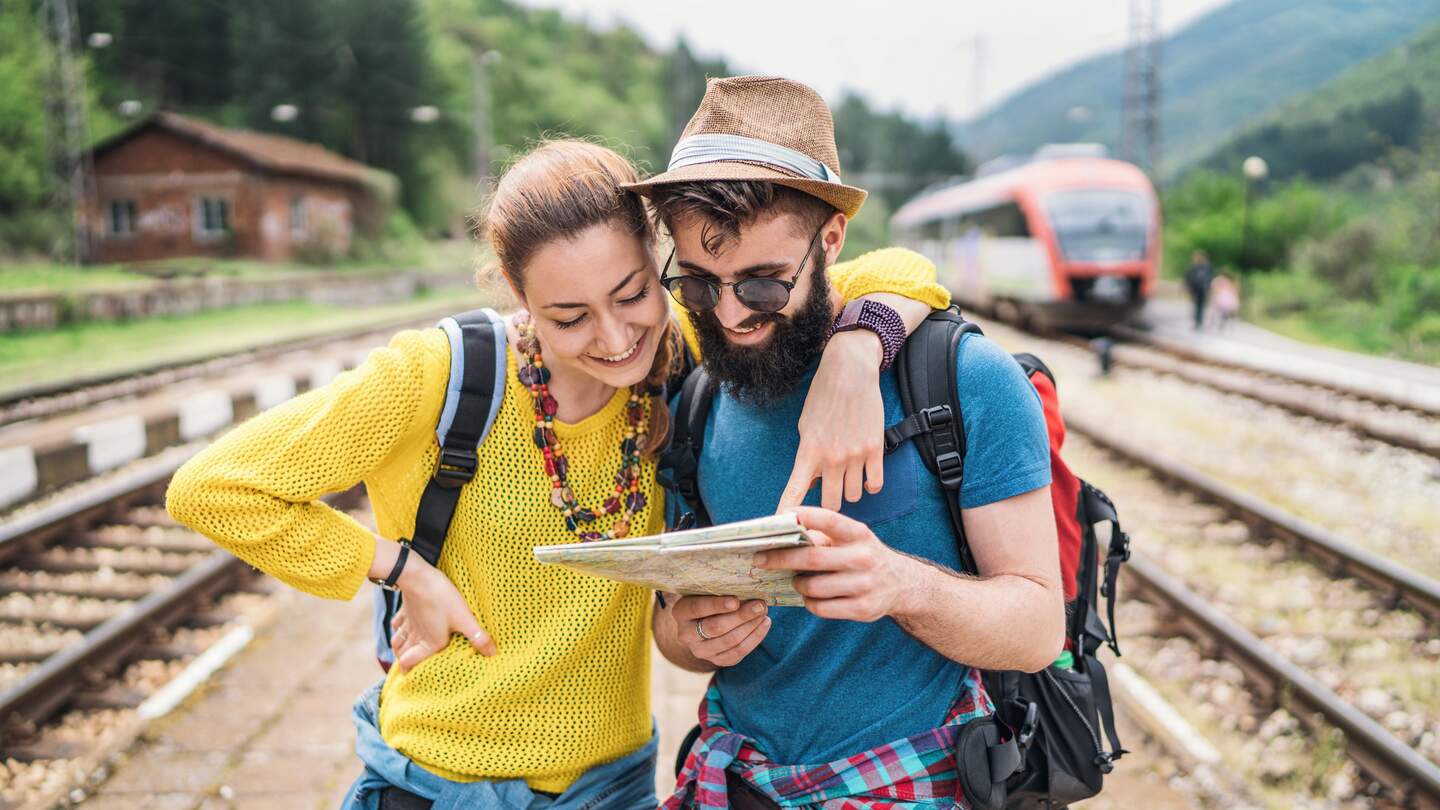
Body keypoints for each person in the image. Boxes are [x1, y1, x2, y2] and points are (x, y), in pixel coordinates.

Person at [164, 138, 949, 810]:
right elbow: (214, 487)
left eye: (632, 293)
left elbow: (901, 266)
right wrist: (404, 571)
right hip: (439, 782)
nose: (614, 338)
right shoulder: (437, 376)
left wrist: (857, 348)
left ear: (658, 263)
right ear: (520, 298)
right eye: (569, 316)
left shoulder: (679, 343)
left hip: (612, 783)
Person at [627, 76, 1065, 808]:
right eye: (700, 286)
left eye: (763, 284)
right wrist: (687, 631)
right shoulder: (692, 397)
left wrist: (900, 584)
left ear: (831, 239)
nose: (730, 315)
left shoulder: (963, 379)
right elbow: (672, 631)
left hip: (915, 776)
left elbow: (1036, 628)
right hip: (734, 777)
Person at [1184, 250, 1215, 330]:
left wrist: (1209, 288)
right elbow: (1188, 276)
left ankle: (1199, 322)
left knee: (1201, 306)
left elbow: (1210, 277)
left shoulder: (1207, 266)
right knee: (1196, 305)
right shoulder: (1194, 266)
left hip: (1203, 289)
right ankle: (1197, 322)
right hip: (1195, 289)